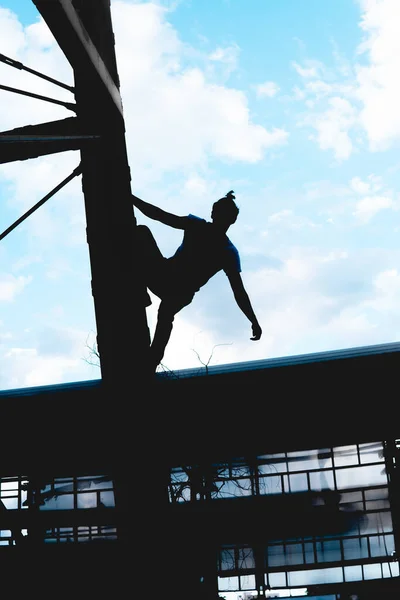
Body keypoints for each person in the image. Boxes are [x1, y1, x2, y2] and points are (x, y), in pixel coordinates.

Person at [131, 190, 262, 372]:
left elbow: (239, 291)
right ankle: (140, 292)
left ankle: (151, 361)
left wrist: (253, 320)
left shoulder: (227, 251)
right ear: (213, 214)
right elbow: (160, 216)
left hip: (180, 290)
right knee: (140, 233)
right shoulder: (199, 228)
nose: (220, 218)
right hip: (164, 274)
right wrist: (131, 198)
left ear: (230, 220)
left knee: (166, 312)